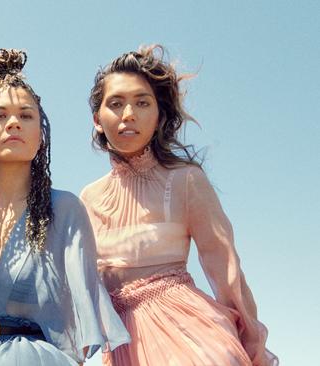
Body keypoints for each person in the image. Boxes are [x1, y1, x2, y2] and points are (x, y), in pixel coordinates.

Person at [0, 49, 129, 366]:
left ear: (40, 136)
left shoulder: (64, 210)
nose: (13, 123)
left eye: (25, 115)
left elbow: (76, 321)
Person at [80, 45, 278, 365]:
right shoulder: (88, 198)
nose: (128, 114)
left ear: (158, 115)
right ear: (97, 120)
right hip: (123, 346)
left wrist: (251, 342)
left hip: (190, 335)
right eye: (116, 104)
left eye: (142, 103)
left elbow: (225, 268)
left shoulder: (185, 180)